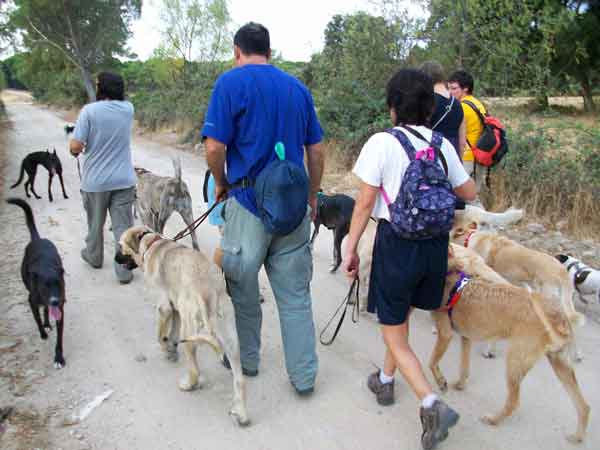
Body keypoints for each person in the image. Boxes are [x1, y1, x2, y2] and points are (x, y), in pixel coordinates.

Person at [343, 68, 476, 450]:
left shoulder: (382, 143)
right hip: (433, 249)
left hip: (397, 246)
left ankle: (432, 403)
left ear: (392, 107)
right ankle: (385, 382)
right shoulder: (440, 144)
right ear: (430, 107)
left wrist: (350, 246)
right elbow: (467, 189)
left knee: (392, 331)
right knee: (399, 320)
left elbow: (365, 202)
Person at [201, 22, 325, 395]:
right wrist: (313, 196)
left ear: (237, 51)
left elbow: (213, 148)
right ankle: (304, 378)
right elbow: (316, 149)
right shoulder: (298, 88)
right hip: (292, 209)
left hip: (247, 204)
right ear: (269, 51)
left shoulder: (230, 83)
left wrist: (221, 183)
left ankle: (248, 361)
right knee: (295, 297)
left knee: (241, 288)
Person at [70, 72, 136, 284]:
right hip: (124, 180)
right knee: (123, 228)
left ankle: (94, 256)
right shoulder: (128, 109)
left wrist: (76, 150)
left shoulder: (89, 111)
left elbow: (76, 146)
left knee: (95, 224)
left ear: (101, 88)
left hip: (96, 182)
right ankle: (125, 270)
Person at [448, 69, 487, 198]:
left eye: (454, 88)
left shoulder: (462, 107)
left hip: (467, 159)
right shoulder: (477, 103)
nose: (450, 92)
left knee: (468, 200)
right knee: (473, 198)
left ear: (465, 89)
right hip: (479, 157)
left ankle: (486, 219)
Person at [420, 61, 466, 159]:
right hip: (452, 160)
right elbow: (462, 143)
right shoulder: (458, 104)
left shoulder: (427, 102)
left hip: (432, 161)